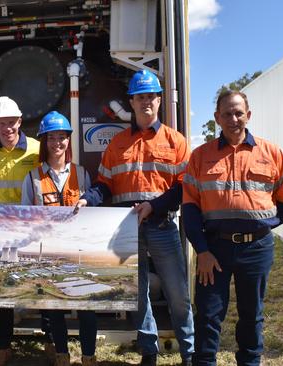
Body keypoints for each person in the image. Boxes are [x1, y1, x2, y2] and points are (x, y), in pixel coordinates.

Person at [77, 70, 194, 366]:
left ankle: (190, 352)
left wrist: (154, 206)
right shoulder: (116, 144)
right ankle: (149, 352)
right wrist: (86, 198)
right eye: (140, 97)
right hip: (126, 228)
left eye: (151, 97)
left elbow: (185, 186)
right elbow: (104, 185)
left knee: (178, 293)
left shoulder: (175, 141)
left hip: (162, 224)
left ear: (158, 100)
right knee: (137, 295)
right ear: (131, 101)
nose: (146, 102)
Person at [182, 90, 283, 365]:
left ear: (248, 115)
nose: (234, 119)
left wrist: (264, 226)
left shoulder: (272, 153)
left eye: (238, 113)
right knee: (208, 314)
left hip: (256, 249)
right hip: (214, 249)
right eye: (227, 114)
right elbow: (189, 209)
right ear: (216, 118)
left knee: (252, 314)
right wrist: (202, 251)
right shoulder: (200, 156)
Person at [20, 111, 97, 366]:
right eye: (51, 138)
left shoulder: (82, 174)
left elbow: (92, 215)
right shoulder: (32, 178)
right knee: (54, 306)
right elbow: (24, 217)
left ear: (68, 140)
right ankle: (62, 355)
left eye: (62, 137)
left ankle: (88, 356)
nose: (57, 143)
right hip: (49, 250)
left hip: (78, 249)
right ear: (44, 142)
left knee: (87, 307)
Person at [0, 96, 41, 366]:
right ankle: (2, 346)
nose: (8, 128)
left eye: (12, 123)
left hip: (34, 228)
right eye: (1, 123)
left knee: (41, 287)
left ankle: (52, 344)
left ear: (20, 121)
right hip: (1, 231)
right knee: (0, 292)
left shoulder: (38, 150)